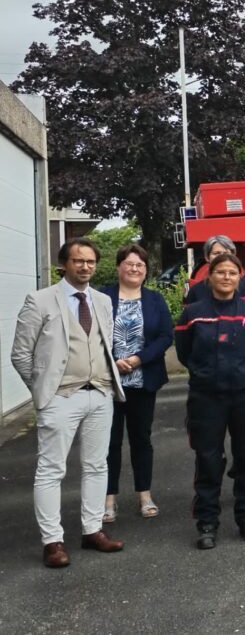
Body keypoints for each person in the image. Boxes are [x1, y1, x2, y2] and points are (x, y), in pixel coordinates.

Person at [11, 237, 126, 568]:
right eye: (78, 261)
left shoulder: (103, 301)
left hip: (100, 393)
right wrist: (42, 391)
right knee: (51, 469)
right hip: (59, 398)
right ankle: (53, 541)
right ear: (64, 264)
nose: (85, 266)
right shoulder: (40, 300)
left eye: (90, 261)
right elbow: (21, 354)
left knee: (96, 465)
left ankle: (93, 530)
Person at [174, 252, 245, 549]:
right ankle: (206, 522)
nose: (226, 277)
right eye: (221, 272)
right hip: (207, 397)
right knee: (208, 459)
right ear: (210, 276)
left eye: (232, 272)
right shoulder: (193, 313)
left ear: (239, 278)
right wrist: (205, 374)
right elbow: (184, 353)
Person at [101, 244, 174, 523]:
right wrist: (114, 360)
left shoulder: (154, 299)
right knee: (109, 442)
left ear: (146, 270)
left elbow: (166, 336)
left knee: (141, 439)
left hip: (142, 379)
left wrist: (138, 359)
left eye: (140, 265)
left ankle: (144, 495)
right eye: (129, 263)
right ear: (119, 267)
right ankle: (109, 499)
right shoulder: (103, 297)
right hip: (108, 380)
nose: (134, 268)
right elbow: (90, 333)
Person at [183, 235, 245, 307]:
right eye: (217, 253)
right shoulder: (195, 292)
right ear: (207, 257)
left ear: (233, 256)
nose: (222, 257)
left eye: (226, 253)